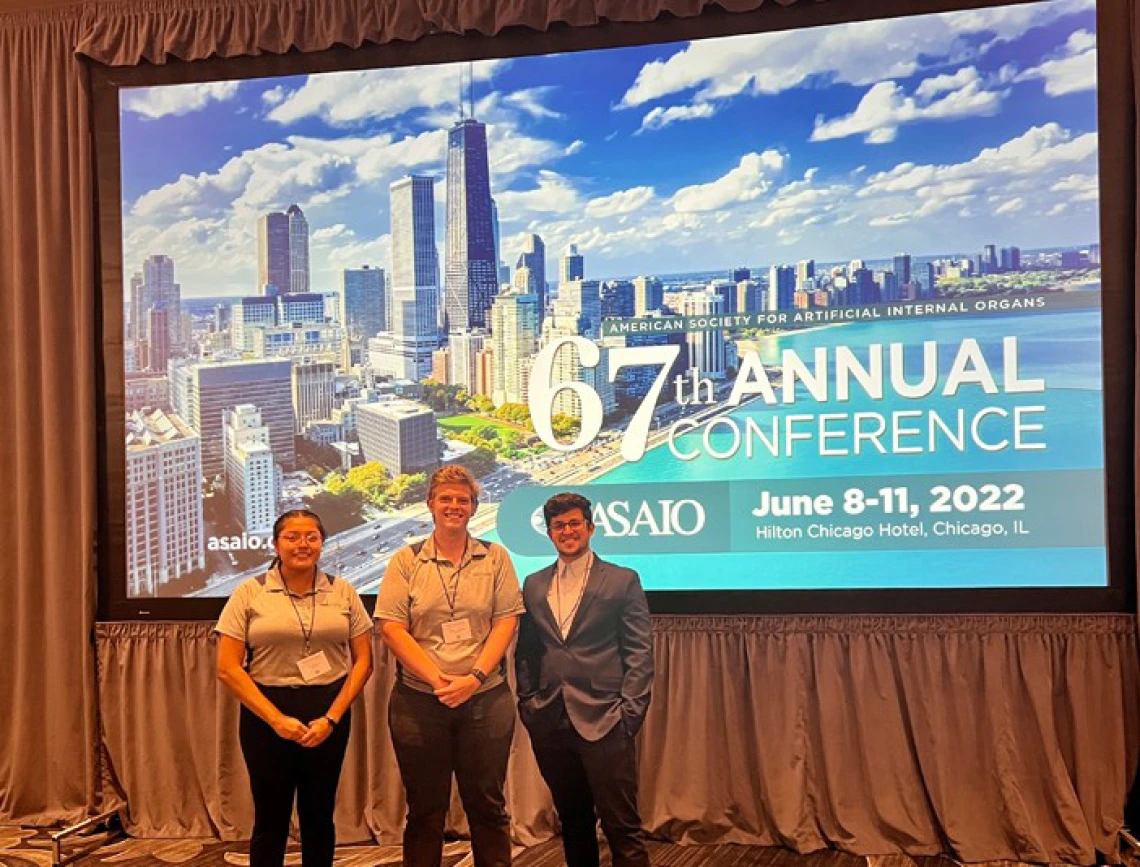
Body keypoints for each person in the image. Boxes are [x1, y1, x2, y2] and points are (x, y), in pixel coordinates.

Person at [375, 465, 524, 867]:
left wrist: (473, 679)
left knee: (488, 806)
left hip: (485, 700)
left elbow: (506, 621)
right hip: (419, 701)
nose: (454, 506)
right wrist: (439, 680)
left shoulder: (495, 557)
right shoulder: (406, 561)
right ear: (430, 505)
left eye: (463, 500)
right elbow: (391, 628)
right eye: (446, 499)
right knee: (425, 810)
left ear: (474, 507)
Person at [215, 509, 374, 867]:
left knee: (319, 816)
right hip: (266, 714)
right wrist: (276, 720)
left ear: (321, 542)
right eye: (292, 537)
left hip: (328, 712)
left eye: (311, 537)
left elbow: (364, 661)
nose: (303, 545)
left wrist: (331, 719)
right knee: (270, 818)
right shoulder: (249, 592)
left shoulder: (342, 590)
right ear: (275, 544)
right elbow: (227, 667)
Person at [515, 492, 654, 867]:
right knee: (573, 824)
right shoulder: (532, 584)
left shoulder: (622, 580)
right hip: (550, 721)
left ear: (590, 528)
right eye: (559, 526)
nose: (567, 531)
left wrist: (630, 714)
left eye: (575, 523)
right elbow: (526, 652)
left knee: (622, 827)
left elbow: (639, 652)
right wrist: (528, 703)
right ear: (549, 533)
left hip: (606, 720)